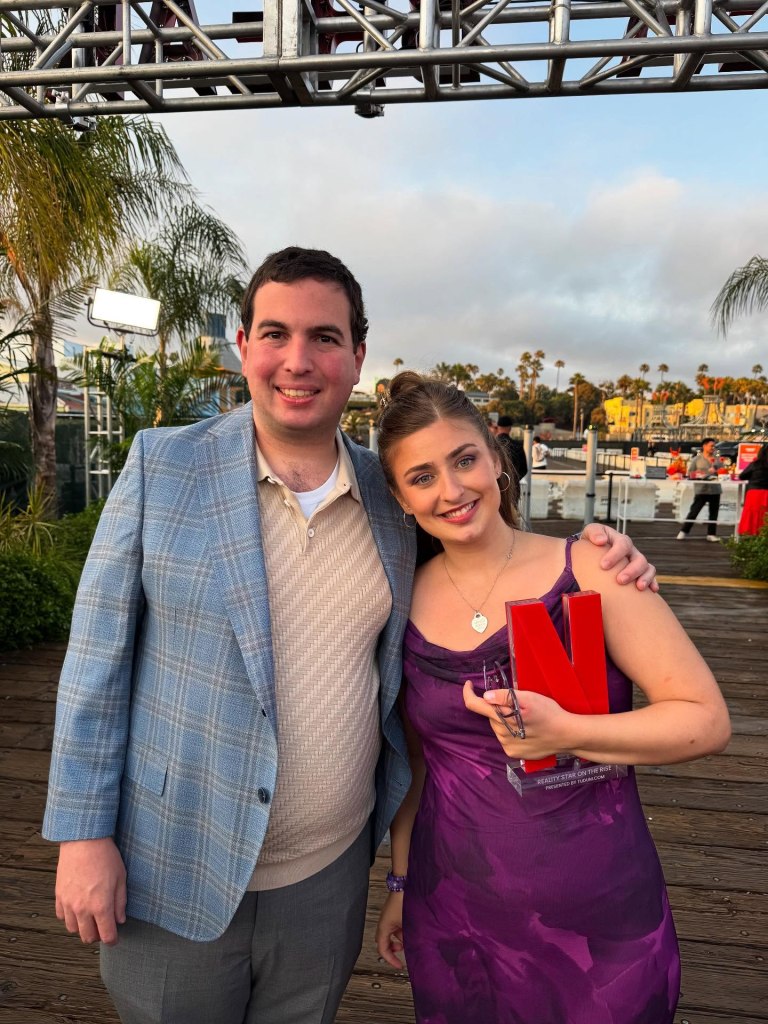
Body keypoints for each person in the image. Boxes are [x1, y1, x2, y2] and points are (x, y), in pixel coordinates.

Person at [43, 248, 657, 1024]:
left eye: (325, 338)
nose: (297, 361)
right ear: (243, 346)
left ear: (357, 355)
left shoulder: (394, 496)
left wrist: (603, 551)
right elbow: (94, 665)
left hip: (327, 879)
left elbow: (486, 553)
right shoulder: (162, 467)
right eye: (276, 333)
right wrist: (82, 836)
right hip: (170, 863)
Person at [374, 373, 730, 1024]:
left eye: (464, 460)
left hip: (598, 922)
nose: (452, 490)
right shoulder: (397, 604)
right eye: (422, 477)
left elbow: (705, 721)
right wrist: (399, 886)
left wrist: (567, 731)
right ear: (399, 497)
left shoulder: (591, 569)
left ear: (496, 458)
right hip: (456, 919)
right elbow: (418, 768)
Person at [677, 437, 726, 541]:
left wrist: (720, 468)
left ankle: (711, 534)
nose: (713, 448)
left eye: (714, 446)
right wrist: (705, 473)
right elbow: (690, 473)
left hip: (715, 489)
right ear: (704, 446)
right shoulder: (696, 459)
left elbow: (723, 472)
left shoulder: (717, 459)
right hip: (701, 489)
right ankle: (684, 531)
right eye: (711, 446)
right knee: (694, 511)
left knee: (714, 513)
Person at [738, 443, 768, 535]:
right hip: (766, 494)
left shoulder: (755, 464)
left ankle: (750, 533)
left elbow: (742, 476)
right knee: (764, 515)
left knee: (751, 514)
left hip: (754, 492)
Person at [494, 414, 528, 482]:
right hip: (513, 487)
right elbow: (524, 469)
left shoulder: (491, 444)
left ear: (498, 427)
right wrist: (513, 480)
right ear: (510, 428)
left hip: (495, 485)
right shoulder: (517, 445)